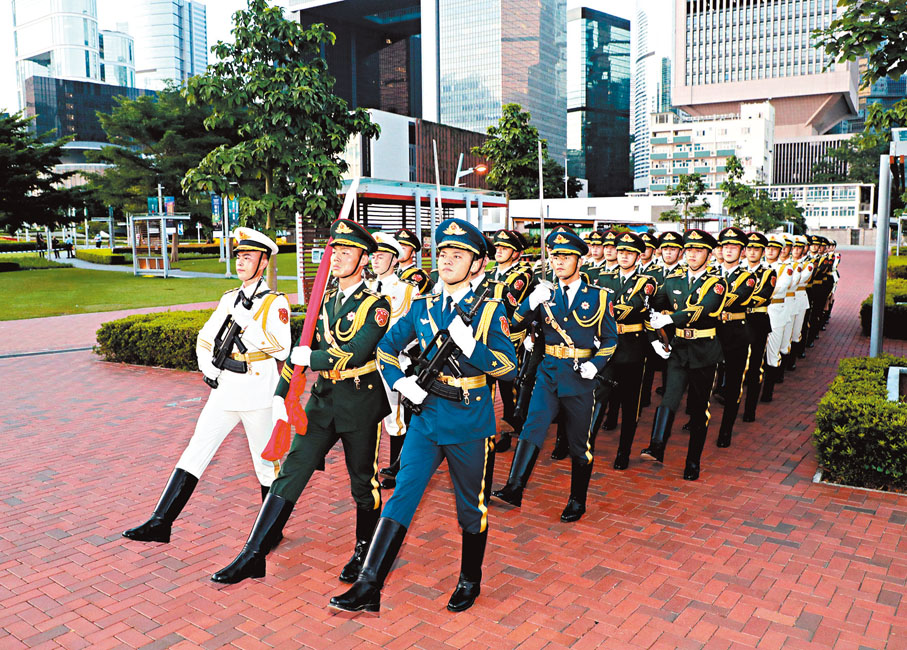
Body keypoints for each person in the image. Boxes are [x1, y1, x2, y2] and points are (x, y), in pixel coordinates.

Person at [329, 218, 517, 613]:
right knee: (402, 495)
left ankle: (470, 579)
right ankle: (368, 584)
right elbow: (385, 349)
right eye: (444, 253)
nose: (447, 260)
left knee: (470, 508)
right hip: (427, 417)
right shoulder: (423, 306)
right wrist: (401, 381)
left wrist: (472, 348)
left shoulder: (489, 310)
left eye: (458, 255)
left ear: (478, 264)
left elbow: (508, 368)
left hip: (468, 422)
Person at [210, 219, 391, 585]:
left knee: (363, 482)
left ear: (363, 259)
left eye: (346, 252)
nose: (337, 258)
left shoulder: (376, 305)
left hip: (359, 400)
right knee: (291, 470)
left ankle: (363, 550)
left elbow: (355, 353)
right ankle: (253, 553)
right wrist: (281, 394)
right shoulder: (322, 299)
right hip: (322, 402)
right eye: (335, 251)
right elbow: (299, 351)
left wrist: (313, 359)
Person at [122, 228, 290, 544]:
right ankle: (161, 522)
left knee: (266, 464)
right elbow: (206, 335)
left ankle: (272, 532)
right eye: (239, 256)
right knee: (196, 450)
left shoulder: (275, 302)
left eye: (249, 257)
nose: (241, 262)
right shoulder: (229, 298)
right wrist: (205, 362)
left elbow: (282, 349)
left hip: (257, 393)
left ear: (264, 262)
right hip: (224, 389)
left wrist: (249, 324)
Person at [493, 230, 618, 522]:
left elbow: (610, 339)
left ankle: (577, 500)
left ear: (579, 260)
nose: (558, 262)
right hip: (548, 373)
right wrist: (530, 301)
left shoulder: (599, 297)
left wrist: (596, 364)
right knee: (532, 428)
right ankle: (514, 487)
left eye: (565, 257)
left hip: (580, 378)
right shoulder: (545, 294)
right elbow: (514, 324)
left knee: (579, 444)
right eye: (555, 256)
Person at [644, 229, 728, 481]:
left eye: (698, 251)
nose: (692, 254)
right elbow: (653, 303)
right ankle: (657, 445)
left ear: (709, 255)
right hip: (679, 348)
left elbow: (702, 310)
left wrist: (669, 318)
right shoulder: (674, 280)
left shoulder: (717, 283)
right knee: (669, 398)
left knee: (699, 409)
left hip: (704, 351)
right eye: (689, 250)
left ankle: (693, 462)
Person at [591, 232, 659, 469]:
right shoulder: (603, 277)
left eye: (629, 253)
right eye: (621, 252)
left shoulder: (646, 282)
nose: (623, 256)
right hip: (606, 345)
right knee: (598, 395)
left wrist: (604, 310)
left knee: (630, 403)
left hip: (632, 347)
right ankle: (586, 443)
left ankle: (623, 452)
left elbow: (633, 307)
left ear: (639, 257)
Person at [366, 232, 420, 490]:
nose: (375, 260)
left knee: (395, 419)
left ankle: (396, 468)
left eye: (382, 255)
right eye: (374, 255)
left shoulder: (408, 290)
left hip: (393, 362)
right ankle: (370, 468)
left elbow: (415, 329)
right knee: (368, 418)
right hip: (365, 365)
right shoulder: (365, 288)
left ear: (395, 259)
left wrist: (400, 354)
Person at [487, 229, 533, 452]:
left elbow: (507, 301)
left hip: (510, 336)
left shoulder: (522, 274)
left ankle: (508, 429)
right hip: (487, 333)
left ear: (516, 253)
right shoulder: (490, 271)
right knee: (486, 385)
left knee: (508, 388)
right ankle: (487, 429)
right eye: (497, 247)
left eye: (505, 248)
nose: (499, 251)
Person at [712, 227, 757, 448]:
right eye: (725, 246)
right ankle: (697, 420)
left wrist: (708, 299)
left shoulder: (747, 277)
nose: (728, 250)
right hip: (711, 331)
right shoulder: (710, 273)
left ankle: (726, 430)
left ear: (742, 251)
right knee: (703, 381)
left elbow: (732, 299)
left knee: (733, 383)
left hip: (735, 333)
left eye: (734, 247)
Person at [740, 232, 776, 422]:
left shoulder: (768, 273)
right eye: (749, 248)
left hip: (757, 322)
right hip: (738, 322)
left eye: (757, 249)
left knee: (755, 368)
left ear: (762, 252)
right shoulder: (737, 271)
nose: (752, 252)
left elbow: (761, 296)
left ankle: (750, 409)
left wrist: (735, 300)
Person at [395, 227, 433, 294]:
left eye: (403, 248)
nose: (399, 252)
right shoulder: (394, 273)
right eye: (398, 248)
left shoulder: (418, 275)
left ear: (412, 253)